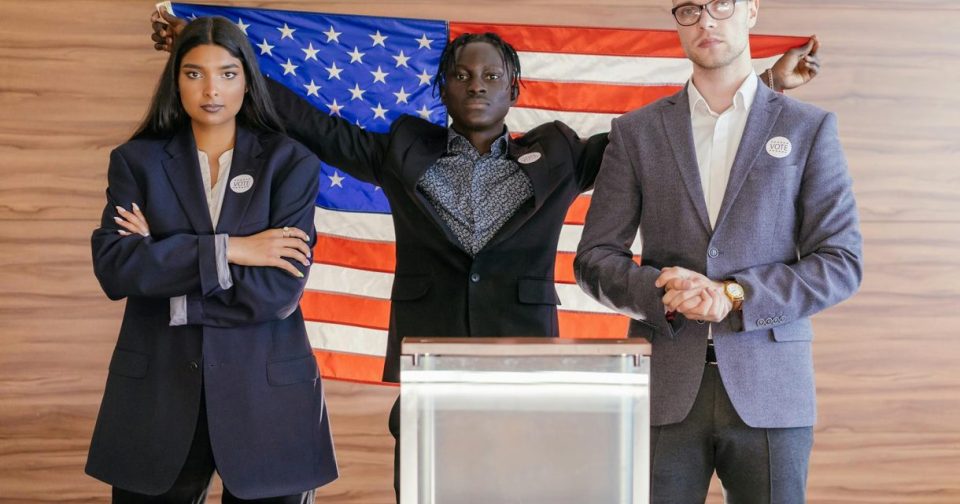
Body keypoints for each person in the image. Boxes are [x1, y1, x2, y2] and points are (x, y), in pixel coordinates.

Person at [150, 10, 821, 501]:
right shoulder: (402, 149)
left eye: (492, 75)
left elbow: (665, 133)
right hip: (428, 364)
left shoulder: (558, 153)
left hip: (524, 364)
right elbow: (312, 125)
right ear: (443, 88)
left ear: (513, 90)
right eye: (462, 75)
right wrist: (220, 60)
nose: (477, 84)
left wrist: (767, 82)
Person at [574, 0, 863, 502]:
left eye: (720, 5)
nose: (706, 20)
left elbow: (840, 261)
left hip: (771, 388)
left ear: (751, 10)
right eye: (689, 9)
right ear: (677, 22)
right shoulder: (636, 132)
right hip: (664, 386)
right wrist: (662, 290)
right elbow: (595, 257)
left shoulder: (807, 129)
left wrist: (734, 294)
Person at [87, 16, 337, 503]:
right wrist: (234, 250)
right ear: (175, 79)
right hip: (157, 393)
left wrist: (165, 267)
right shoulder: (136, 161)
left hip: (267, 395)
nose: (211, 90)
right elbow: (117, 267)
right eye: (194, 73)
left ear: (247, 79)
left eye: (227, 73)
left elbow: (278, 292)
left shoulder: (290, 163)